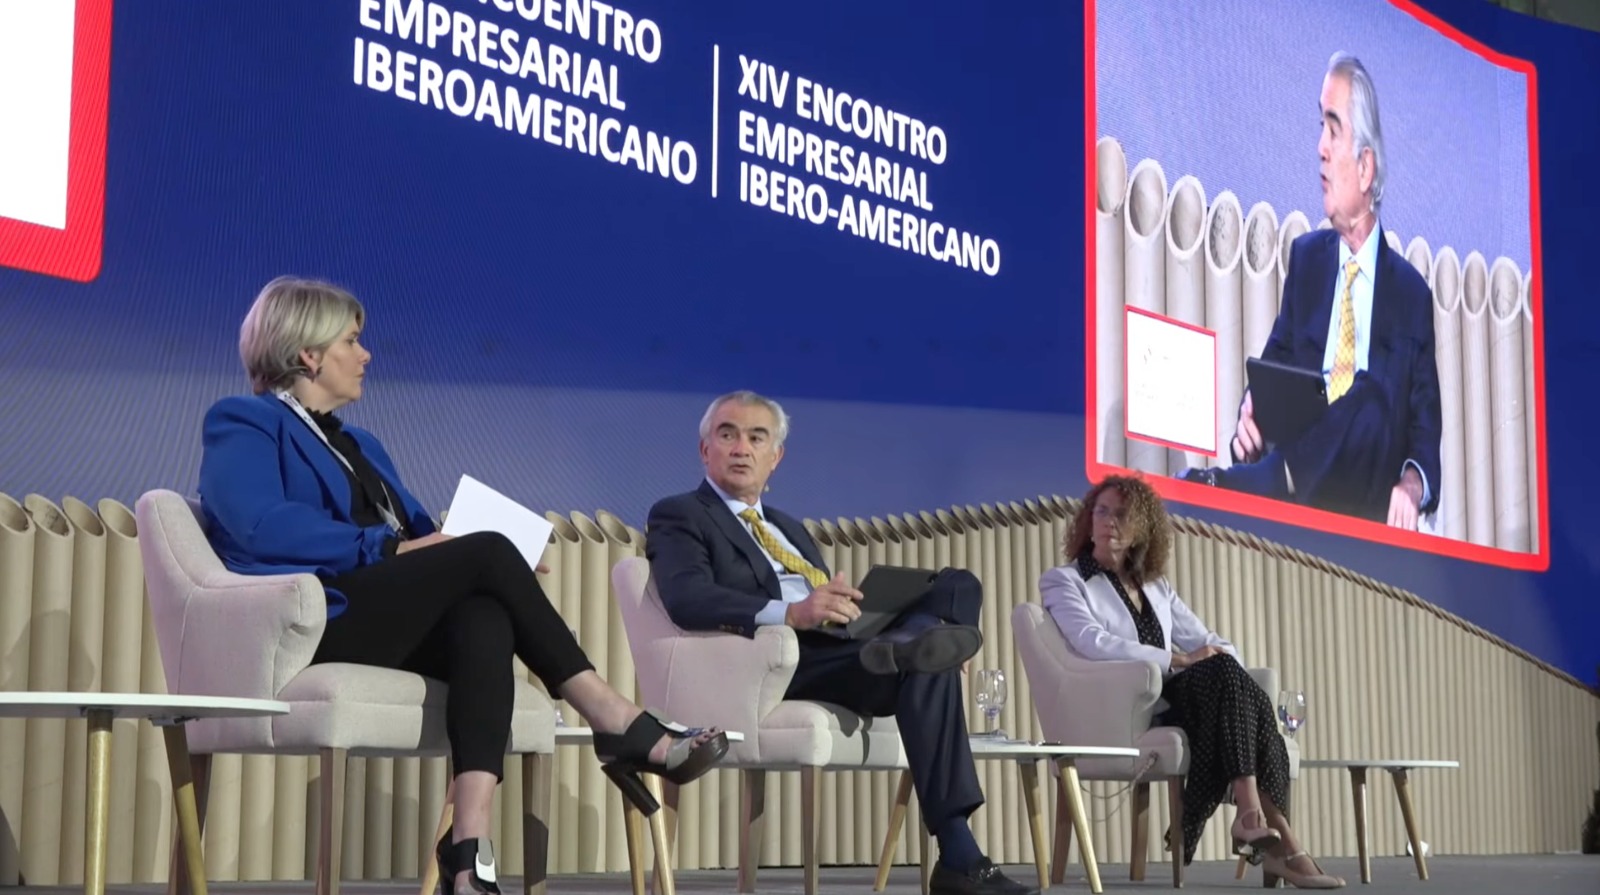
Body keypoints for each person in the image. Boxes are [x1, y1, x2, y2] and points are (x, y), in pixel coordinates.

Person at [198, 276, 728, 895]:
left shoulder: (362, 444)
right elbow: (257, 524)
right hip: (316, 615)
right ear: (309, 354)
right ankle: (616, 721)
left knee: (485, 611)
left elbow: (423, 531)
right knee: (485, 565)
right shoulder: (244, 420)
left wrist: (486, 564)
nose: (366, 355)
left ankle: (468, 843)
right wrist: (397, 547)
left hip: (382, 610)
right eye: (352, 340)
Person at [645, 390, 1036, 895]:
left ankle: (919, 642)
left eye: (756, 437)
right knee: (927, 662)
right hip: (775, 659)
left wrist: (847, 608)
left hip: (842, 649)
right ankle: (960, 855)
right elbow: (687, 598)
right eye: (727, 434)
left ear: (775, 457)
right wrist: (791, 611)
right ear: (705, 450)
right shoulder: (680, 513)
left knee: (958, 584)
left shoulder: (789, 528)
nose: (741, 447)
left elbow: (827, 604)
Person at [1039, 475, 1343, 889]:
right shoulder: (1065, 581)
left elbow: (1213, 641)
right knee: (1230, 683)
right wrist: (1180, 659)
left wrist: (1215, 657)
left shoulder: (1155, 587)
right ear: (1088, 520)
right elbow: (1092, 642)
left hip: (1182, 700)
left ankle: (1258, 824)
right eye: (1102, 511)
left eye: (1122, 514)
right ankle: (1280, 843)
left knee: (1227, 671)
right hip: (1123, 706)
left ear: (1140, 529)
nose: (1109, 521)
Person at [1180, 52, 1440, 531]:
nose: (1319, 147)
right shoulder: (1307, 260)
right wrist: (1250, 413)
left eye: (1333, 128)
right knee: (1336, 400)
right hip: (1302, 486)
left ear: (1365, 168)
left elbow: (1424, 434)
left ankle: (1263, 485)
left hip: (1361, 498)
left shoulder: (1411, 295)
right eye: (1320, 125)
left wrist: (1411, 484)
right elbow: (1275, 365)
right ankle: (1274, 478)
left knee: (1370, 400)